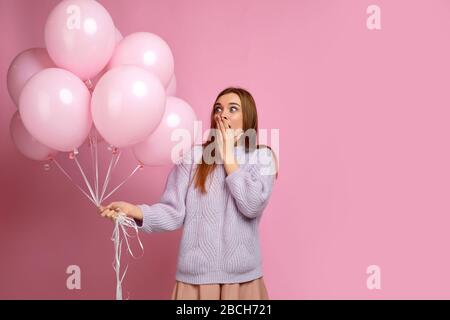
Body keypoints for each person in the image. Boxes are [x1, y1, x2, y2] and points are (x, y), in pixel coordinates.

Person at [99, 87, 278, 300]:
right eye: (218, 109)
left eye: (233, 109)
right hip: (195, 283)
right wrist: (135, 211)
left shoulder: (262, 157)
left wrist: (228, 155)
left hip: (244, 283)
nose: (223, 114)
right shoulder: (194, 156)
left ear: (248, 116)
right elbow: (173, 212)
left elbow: (251, 205)